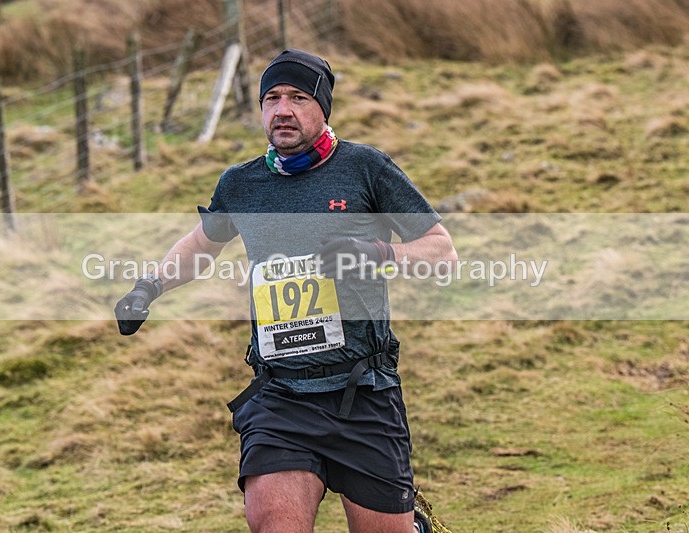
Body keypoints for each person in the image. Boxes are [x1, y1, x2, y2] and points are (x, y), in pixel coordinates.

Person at [115, 48, 457, 533]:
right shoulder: (241, 184)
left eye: (298, 97)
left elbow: (442, 250)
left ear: (322, 108)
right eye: (271, 98)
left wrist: (378, 253)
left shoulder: (366, 168)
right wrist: (148, 287)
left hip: (363, 392)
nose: (282, 110)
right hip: (281, 396)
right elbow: (201, 244)